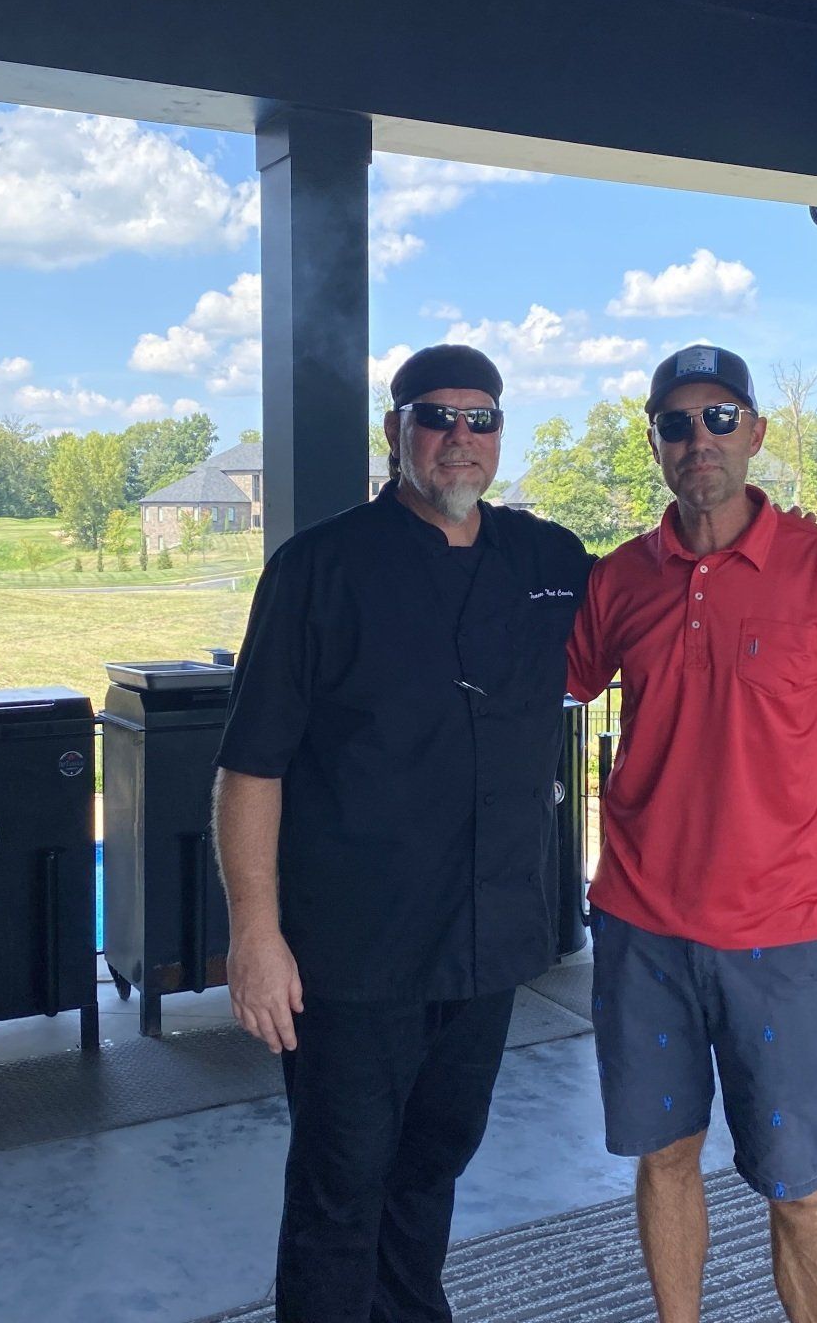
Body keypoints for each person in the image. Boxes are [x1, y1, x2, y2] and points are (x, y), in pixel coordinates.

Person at [211, 343, 592, 1323]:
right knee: (342, 1186)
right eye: (436, 416)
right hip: (353, 955)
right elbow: (251, 767)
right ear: (396, 432)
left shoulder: (546, 562)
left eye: (482, 419)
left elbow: (670, 619)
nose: (459, 439)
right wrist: (256, 934)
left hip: (488, 943)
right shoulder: (319, 570)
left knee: (431, 1171)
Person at [566, 345, 817, 1323]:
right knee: (665, 1156)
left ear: (757, 433)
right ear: (655, 443)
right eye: (678, 423)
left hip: (774, 938)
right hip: (640, 929)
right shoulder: (620, 583)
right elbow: (537, 687)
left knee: (797, 1185)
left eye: (720, 418)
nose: (701, 441)